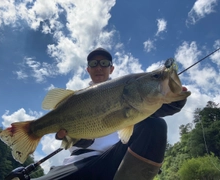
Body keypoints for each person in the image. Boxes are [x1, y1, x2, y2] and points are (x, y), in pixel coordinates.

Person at [33, 47, 188, 180]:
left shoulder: (133, 95)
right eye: (94, 64)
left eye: (104, 63)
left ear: (111, 68)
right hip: (78, 161)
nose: (99, 67)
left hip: (117, 158)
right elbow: (82, 141)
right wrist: (71, 136)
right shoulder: (75, 99)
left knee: (156, 125)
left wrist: (173, 102)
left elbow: (153, 110)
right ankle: (31, 131)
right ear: (88, 69)